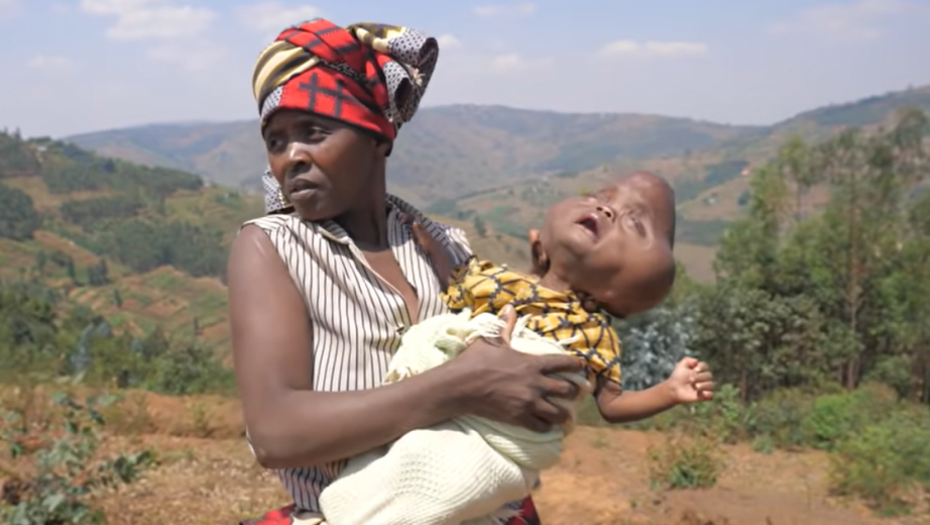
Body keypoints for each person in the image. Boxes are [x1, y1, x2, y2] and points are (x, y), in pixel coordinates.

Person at [228, 18, 584, 525]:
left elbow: (517, 372)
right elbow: (275, 432)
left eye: (314, 132)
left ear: (378, 135)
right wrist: (461, 385)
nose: (293, 157)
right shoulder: (272, 247)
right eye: (276, 141)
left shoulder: (444, 245)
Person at [313, 172, 715, 524]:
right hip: (449, 406)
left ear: (619, 293)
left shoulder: (593, 334)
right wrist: (431, 247)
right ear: (541, 246)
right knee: (391, 467)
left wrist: (670, 391)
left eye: (634, 222)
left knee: (439, 480)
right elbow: (457, 284)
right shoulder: (501, 283)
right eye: (601, 197)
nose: (607, 209)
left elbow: (613, 405)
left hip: (500, 442)